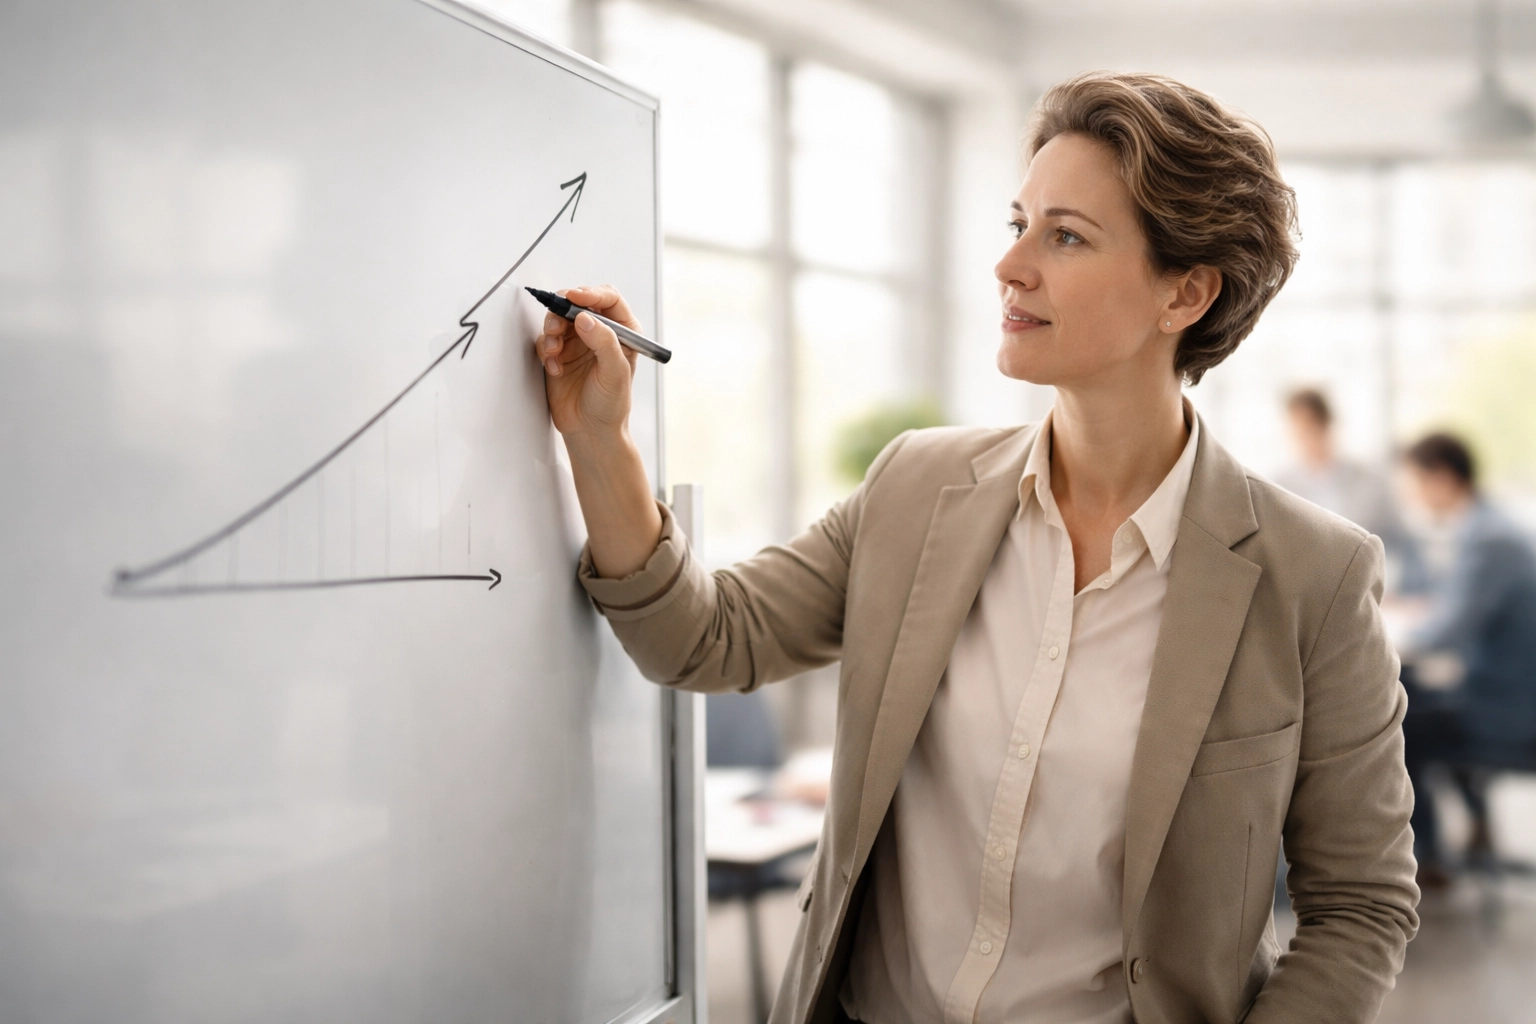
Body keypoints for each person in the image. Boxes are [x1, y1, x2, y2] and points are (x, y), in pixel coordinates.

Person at [535, 73, 1418, 1024]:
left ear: (1187, 292)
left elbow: (1361, 905)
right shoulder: (917, 487)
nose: (1011, 266)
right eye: (1017, 224)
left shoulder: (1312, 577)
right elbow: (705, 638)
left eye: (1066, 235)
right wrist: (599, 438)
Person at [1396, 432, 1536, 888]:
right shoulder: (1490, 526)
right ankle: (1468, 835)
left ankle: (1427, 859)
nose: (1412, 496)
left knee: (1400, 720)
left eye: (1415, 483)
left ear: (1442, 477)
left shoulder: (1489, 539)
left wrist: (1384, 631)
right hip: (1506, 692)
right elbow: (1457, 608)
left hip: (1510, 711)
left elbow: (1446, 633)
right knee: (1419, 704)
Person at [1274, 388, 1420, 587]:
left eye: (1310, 427)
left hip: (1369, 590)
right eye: (1297, 430)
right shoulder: (1279, 488)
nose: (1304, 438)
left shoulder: (1371, 481)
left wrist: (1397, 587)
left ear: (1327, 424)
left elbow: (1404, 543)